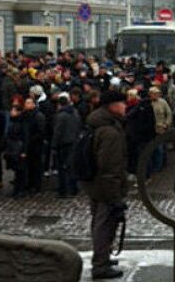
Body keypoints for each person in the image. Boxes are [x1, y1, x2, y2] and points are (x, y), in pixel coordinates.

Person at [84, 90, 129, 279]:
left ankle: (103, 257)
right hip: (105, 186)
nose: (125, 106)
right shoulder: (109, 131)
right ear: (113, 106)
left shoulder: (99, 123)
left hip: (95, 183)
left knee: (101, 222)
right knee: (105, 225)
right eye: (122, 103)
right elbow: (109, 167)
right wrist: (115, 197)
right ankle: (100, 265)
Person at [51, 93, 81, 198]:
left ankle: (63, 191)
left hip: (62, 144)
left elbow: (57, 132)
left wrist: (54, 145)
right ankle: (73, 188)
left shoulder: (60, 116)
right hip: (73, 142)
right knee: (71, 166)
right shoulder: (75, 112)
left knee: (62, 168)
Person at [23, 97, 46, 194]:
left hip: (36, 145)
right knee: (29, 166)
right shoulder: (25, 115)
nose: (26, 105)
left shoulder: (38, 116)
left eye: (29, 103)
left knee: (36, 166)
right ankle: (30, 183)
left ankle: (36, 185)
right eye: (26, 103)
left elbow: (41, 132)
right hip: (28, 145)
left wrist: (32, 139)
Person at [150, 86, 173, 172]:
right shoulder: (149, 103)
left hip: (162, 128)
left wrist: (167, 124)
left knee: (161, 148)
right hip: (153, 129)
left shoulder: (163, 102)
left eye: (157, 94)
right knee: (155, 148)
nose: (155, 95)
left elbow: (169, 113)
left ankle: (159, 166)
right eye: (153, 94)